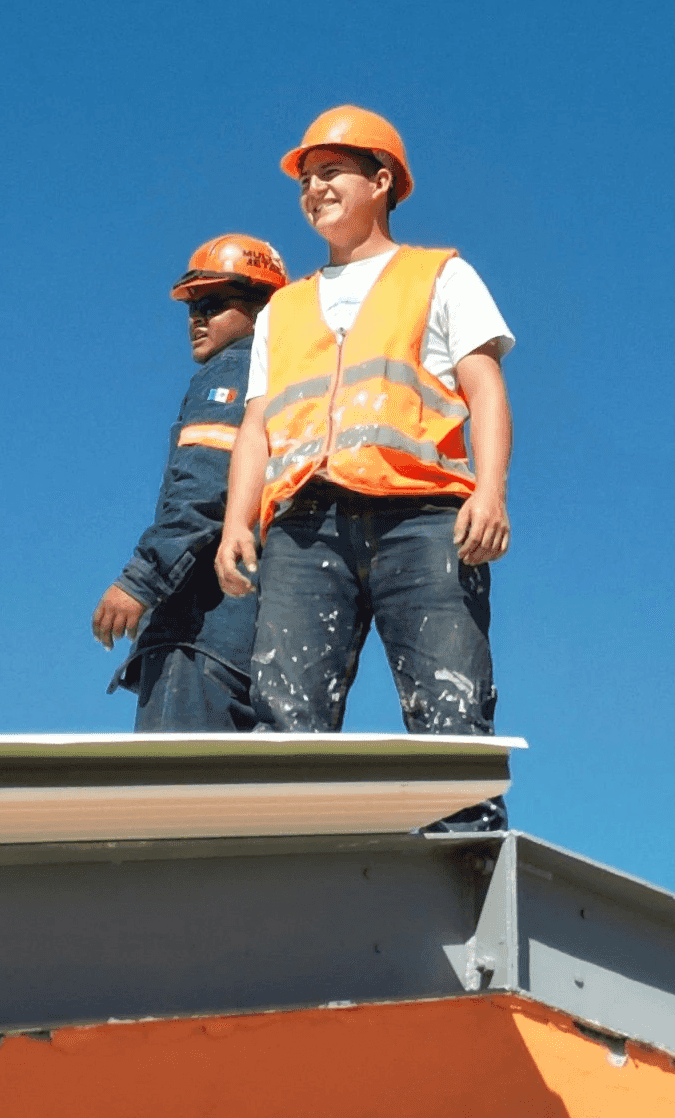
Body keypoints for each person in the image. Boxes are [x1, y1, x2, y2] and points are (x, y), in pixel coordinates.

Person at [214, 105, 514, 830]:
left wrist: (492, 491)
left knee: (449, 703)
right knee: (287, 713)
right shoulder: (283, 309)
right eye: (305, 180)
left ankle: (462, 856)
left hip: (423, 520)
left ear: (381, 181)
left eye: (331, 174)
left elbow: (484, 389)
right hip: (304, 528)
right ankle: (294, 857)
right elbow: (256, 425)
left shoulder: (438, 274)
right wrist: (236, 523)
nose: (313, 190)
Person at [95, 234, 286, 732]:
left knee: (174, 805)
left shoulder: (233, 369)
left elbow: (202, 487)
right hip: (253, 645)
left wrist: (139, 581)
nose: (197, 318)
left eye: (215, 303)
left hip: (201, 637)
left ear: (263, 309)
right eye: (192, 306)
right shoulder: (285, 386)